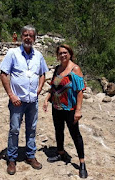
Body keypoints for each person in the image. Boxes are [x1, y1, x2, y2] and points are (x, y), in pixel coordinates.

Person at [0, 25, 49, 175]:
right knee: (14, 130)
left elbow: (42, 74)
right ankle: (12, 159)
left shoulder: (38, 55)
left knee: (32, 129)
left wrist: (39, 88)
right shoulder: (12, 53)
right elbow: (3, 74)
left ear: (34, 39)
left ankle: (30, 155)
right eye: (25, 35)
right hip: (17, 101)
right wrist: (11, 95)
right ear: (21, 37)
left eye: (31, 35)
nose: (28, 38)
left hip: (32, 100)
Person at [43, 44, 88, 178]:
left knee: (75, 134)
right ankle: (60, 153)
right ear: (57, 56)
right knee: (58, 130)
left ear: (70, 54)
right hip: (56, 107)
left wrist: (78, 111)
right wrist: (46, 99)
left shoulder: (75, 69)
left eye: (65, 52)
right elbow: (53, 87)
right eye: (60, 53)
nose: (63, 55)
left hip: (70, 108)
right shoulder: (57, 69)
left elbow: (80, 91)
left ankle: (82, 163)